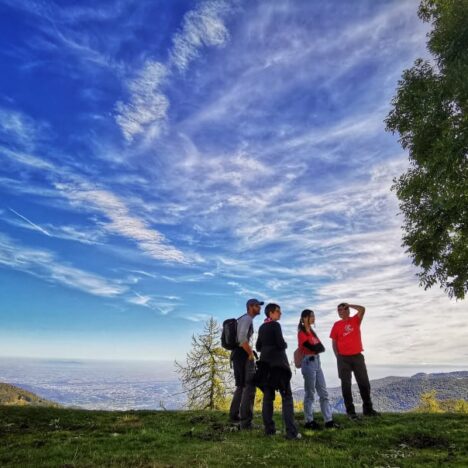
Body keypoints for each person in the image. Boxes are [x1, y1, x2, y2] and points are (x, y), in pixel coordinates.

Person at [256, 303, 301, 440]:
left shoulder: (262, 327)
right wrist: (285, 344)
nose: (280, 313)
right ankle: (291, 432)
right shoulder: (276, 325)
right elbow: (281, 344)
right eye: (278, 311)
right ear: (271, 313)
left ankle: (269, 430)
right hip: (278, 366)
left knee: (268, 398)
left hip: (265, 366)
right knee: (287, 397)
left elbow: (258, 347)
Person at [330, 302, 379, 419]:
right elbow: (334, 343)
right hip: (343, 359)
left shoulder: (355, 320)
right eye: (339, 310)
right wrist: (338, 357)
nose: (340, 311)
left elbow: (362, 309)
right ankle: (351, 412)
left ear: (347, 310)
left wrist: (349, 304)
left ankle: (368, 409)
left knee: (364, 384)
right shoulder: (336, 325)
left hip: (357, 357)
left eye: (342, 309)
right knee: (346, 386)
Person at [298, 309, 340, 429]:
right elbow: (312, 347)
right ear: (304, 318)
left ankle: (328, 421)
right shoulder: (301, 333)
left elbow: (321, 348)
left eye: (313, 316)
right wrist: (316, 348)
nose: (313, 318)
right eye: (311, 316)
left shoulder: (312, 332)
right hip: (308, 363)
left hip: (317, 363)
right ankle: (309, 421)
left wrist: (316, 348)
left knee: (323, 393)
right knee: (310, 394)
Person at [229, 298, 263, 429]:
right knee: (249, 387)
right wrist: (250, 353)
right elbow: (242, 338)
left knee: (241, 385)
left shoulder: (243, 319)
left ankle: (234, 415)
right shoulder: (247, 319)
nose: (259, 308)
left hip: (237, 354)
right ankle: (246, 421)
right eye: (257, 306)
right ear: (250, 307)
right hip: (243, 354)